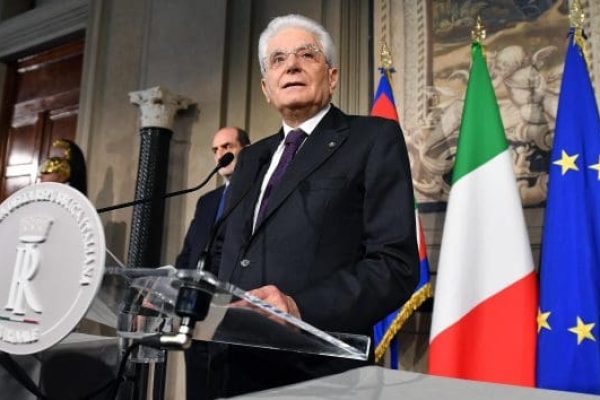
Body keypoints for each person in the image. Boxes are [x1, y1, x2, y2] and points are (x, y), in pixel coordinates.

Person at [204, 14, 419, 398]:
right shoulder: (250, 159)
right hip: (233, 365)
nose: (291, 65)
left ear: (332, 76)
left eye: (307, 54)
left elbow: (394, 265)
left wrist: (298, 306)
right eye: (278, 59)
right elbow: (225, 252)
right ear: (267, 88)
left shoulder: (372, 139)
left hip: (320, 371)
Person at [175, 126, 250, 270]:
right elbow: (188, 252)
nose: (219, 154)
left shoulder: (256, 192)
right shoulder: (206, 201)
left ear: (247, 150)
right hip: (196, 287)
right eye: (215, 150)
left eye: (226, 146)